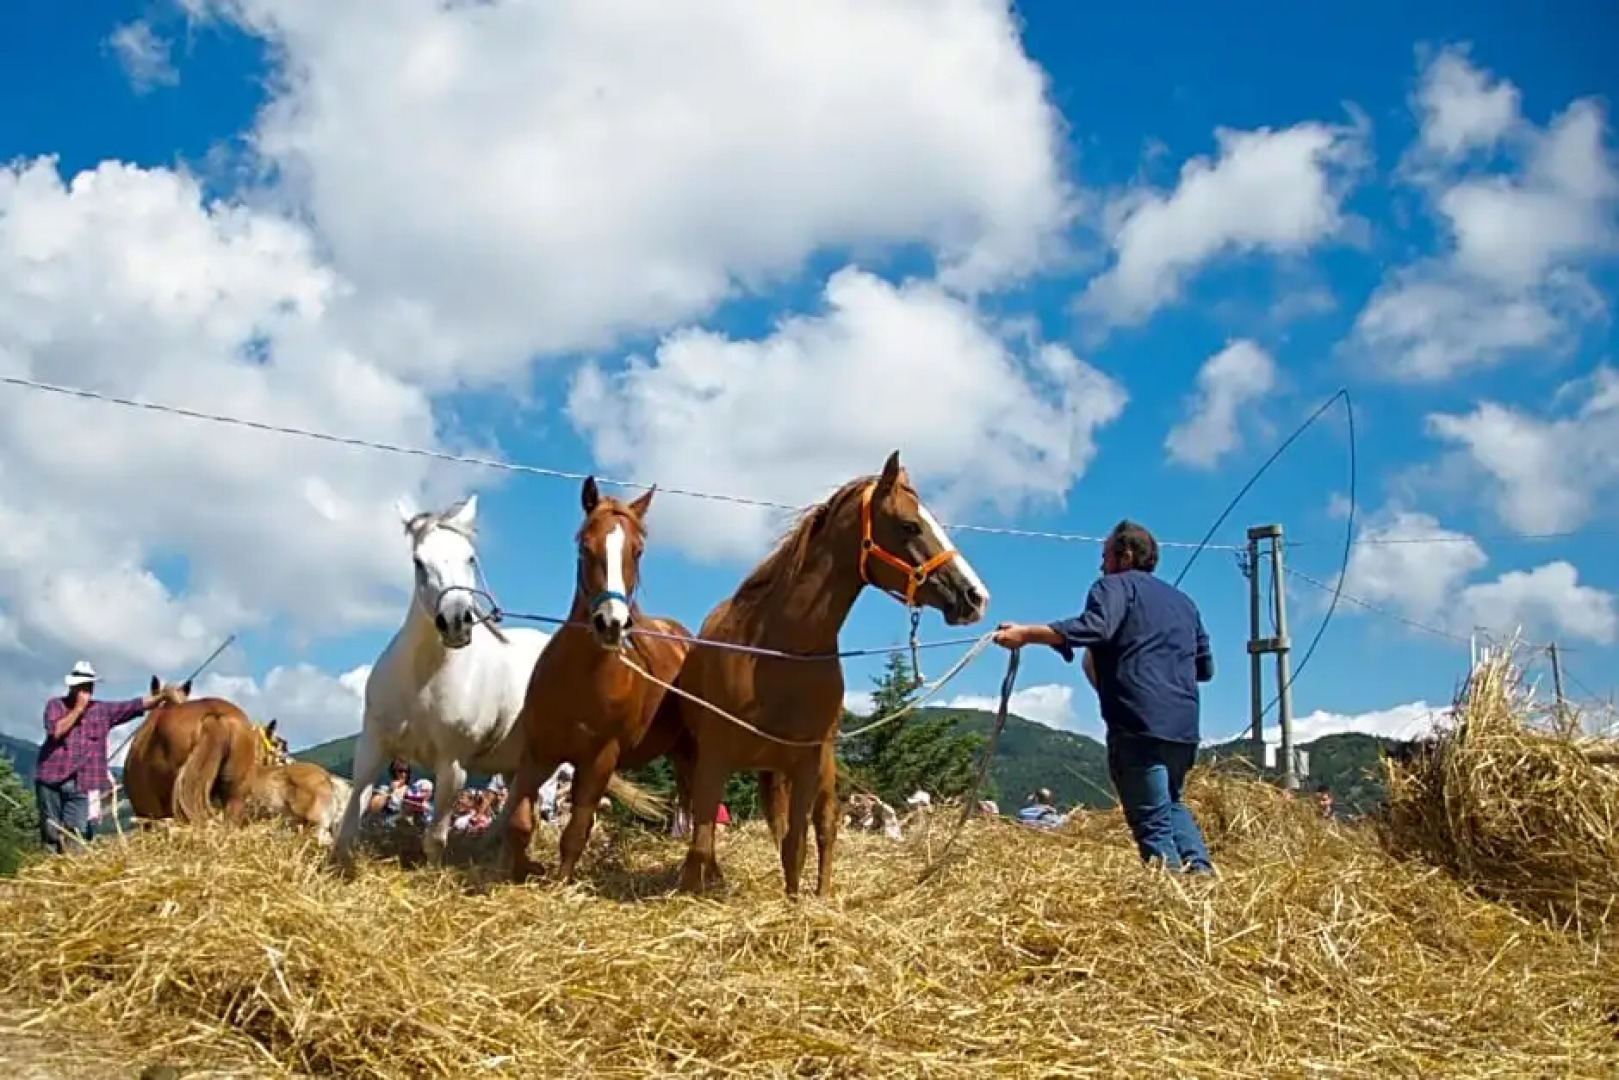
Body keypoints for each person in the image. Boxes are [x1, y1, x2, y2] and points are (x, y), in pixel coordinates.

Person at [992, 520, 1216, 875]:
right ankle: (1202, 879)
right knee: (1172, 805)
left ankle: (1174, 901)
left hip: (1138, 723)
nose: (1101, 565)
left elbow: (1096, 627)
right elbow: (1205, 669)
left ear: (1124, 556)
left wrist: (1026, 634)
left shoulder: (1114, 586)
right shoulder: (1185, 603)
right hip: (1184, 729)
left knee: (1152, 824)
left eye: (1105, 556)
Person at [35, 660, 174, 854]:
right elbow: (56, 732)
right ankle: (49, 868)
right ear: (72, 687)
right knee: (51, 831)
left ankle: (73, 871)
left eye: (89, 686)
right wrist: (78, 709)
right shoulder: (55, 706)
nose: (87, 690)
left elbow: (135, 705)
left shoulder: (103, 711)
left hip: (81, 783)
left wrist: (160, 697)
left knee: (76, 833)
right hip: (51, 780)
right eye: (83, 686)